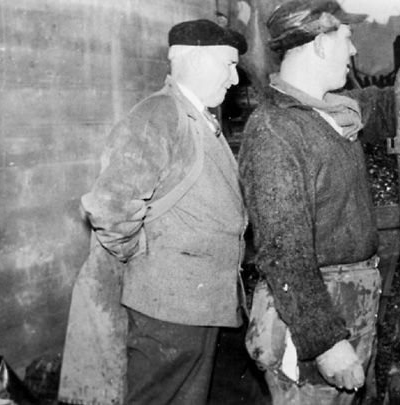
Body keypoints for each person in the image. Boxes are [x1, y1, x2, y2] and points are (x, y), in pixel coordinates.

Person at [58, 18, 248, 405]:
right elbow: (110, 206)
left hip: (197, 305)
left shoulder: (196, 116)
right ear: (194, 58)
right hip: (169, 310)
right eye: (228, 65)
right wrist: (142, 257)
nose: (234, 79)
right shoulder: (159, 114)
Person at [239, 1, 381, 404]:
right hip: (314, 315)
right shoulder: (276, 131)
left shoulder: (322, 114)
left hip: (347, 300)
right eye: (346, 38)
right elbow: (283, 251)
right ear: (320, 43)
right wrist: (325, 341)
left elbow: (379, 103)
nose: (353, 50)